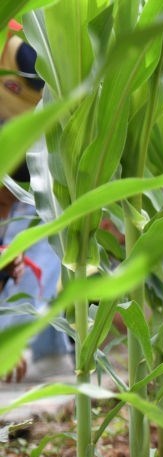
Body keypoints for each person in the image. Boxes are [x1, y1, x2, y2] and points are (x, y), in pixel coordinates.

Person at [1, 19, 73, 382]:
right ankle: (46, 351)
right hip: (16, 177)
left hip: (42, 170)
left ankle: (29, 345)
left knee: (36, 249)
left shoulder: (25, 55)